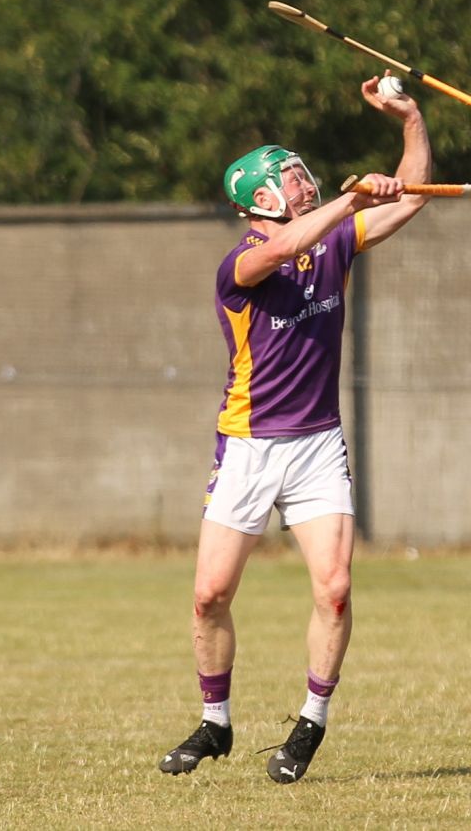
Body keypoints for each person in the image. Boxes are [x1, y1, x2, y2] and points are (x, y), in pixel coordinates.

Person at [158, 72, 431, 782]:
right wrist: (350, 198)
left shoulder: (337, 240)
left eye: (305, 174)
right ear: (259, 199)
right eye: (290, 178)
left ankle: (311, 721)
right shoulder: (239, 264)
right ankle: (215, 724)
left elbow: (416, 195)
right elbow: (279, 254)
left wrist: (409, 123)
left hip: (315, 444)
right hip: (247, 445)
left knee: (334, 587)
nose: (303, 181)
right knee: (210, 595)